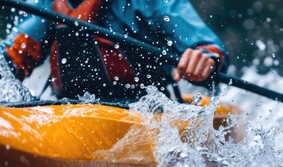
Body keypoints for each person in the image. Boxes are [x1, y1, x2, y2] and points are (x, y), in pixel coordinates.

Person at [1, 0, 228, 102]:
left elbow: (208, 48)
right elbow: (11, 60)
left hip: (145, 112)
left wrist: (204, 60)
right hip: (69, 110)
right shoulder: (46, 3)